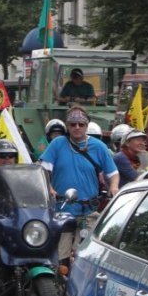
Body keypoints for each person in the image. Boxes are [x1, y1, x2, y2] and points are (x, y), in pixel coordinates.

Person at [40, 106, 119, 266]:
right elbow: (43, 170)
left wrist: (114, 187)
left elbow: (113, 174)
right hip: (62, 210)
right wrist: (49, 187)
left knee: (86, 257)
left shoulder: (99, 147)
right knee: (59, 258)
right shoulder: (58, 144)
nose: (77, 127)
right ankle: (58, 286)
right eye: (73, 124)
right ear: (67, 126)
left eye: (81, 124)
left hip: (88, 210)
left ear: (87, 125)